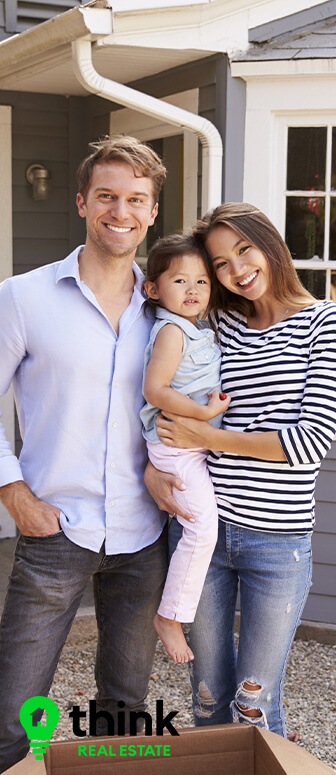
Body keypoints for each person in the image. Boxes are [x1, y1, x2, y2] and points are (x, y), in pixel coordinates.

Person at [0, 135, 176, 773]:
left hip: (143, 534)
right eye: (107, 196)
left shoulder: (168, 311)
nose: (120, 211)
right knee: (13, 709)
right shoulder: (23, 297)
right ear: (82, 202)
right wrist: (12, 491)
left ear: (153, 212)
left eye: (136, 199)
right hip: (54, 530)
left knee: (125, 709)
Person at [145, 203, 336, 737]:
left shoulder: (325, 324)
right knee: (207, 694)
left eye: (243, 251)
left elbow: (311, 441)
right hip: (201, 532)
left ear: (269, 243)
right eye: (220, 263)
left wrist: (210, 437)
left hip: (277, 542)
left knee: (254, 702)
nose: (235, 271)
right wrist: (150, 470)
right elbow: (167, 392)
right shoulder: (216, 322)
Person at [140, 234, 230, 663]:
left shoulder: (200, 330)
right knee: (201, 527)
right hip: (176, 446)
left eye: (202, 281)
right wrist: (201, 413)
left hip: (190, 444)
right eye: (180, 280)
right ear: (153, 289)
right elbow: (155, 389)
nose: (193, 290)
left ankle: (174, 613)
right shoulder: (172, 332)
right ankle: (170, 617)